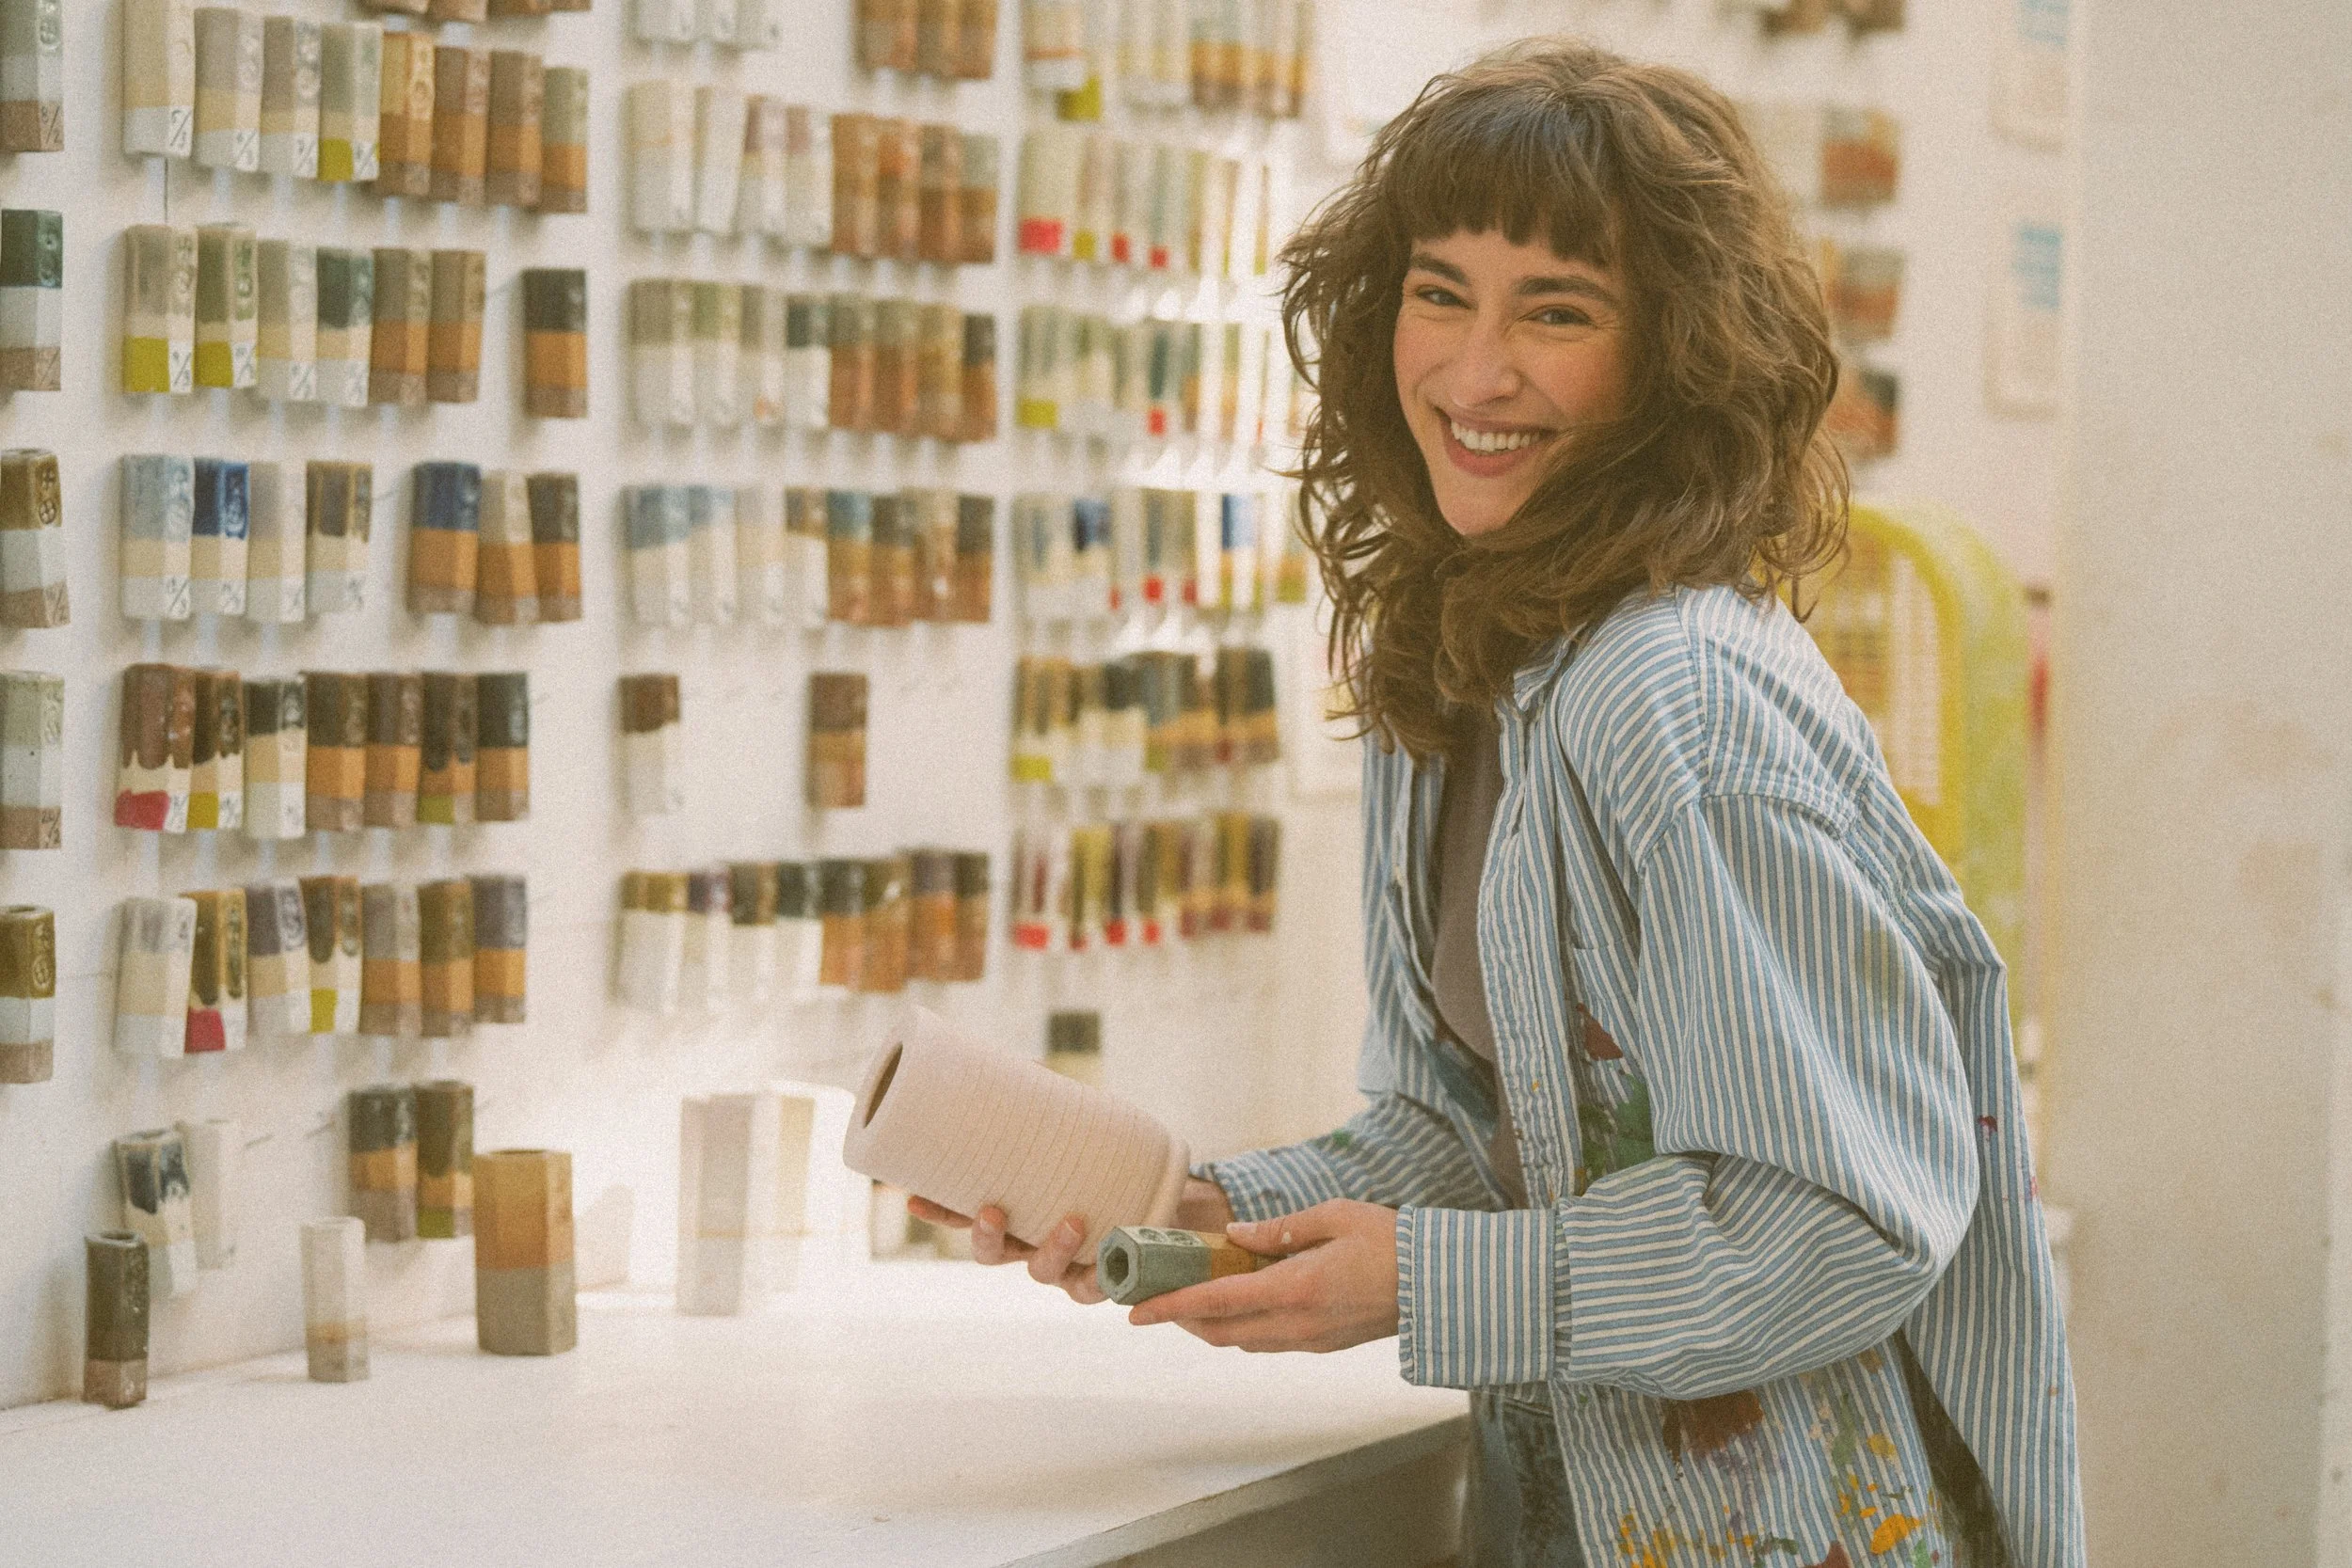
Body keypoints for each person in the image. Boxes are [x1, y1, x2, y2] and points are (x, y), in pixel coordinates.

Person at [914, 38, 2082, 1568]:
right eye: (1440, 289)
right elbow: (1478, 1135)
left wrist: (1429, 1283)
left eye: (1559, 311)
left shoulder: (1676, 695)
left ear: (1678, 357)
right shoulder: (1456, 659)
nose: (1474, 372)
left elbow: (1840, 1221)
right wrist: (1197, 1205)